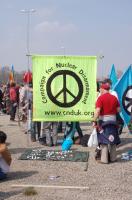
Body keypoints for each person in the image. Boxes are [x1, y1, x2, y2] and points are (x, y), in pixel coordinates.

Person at [93, 83, 120, 164]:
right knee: (113, 140)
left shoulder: (100, 98)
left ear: (102, 89)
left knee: (104, 140)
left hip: (103, 122)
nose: (99, 90)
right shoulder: (114, 98)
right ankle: (113, 158)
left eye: (100, 89)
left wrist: (94, 120)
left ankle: (104, 160)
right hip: (113, 121)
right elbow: (119, 110)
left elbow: (97, 111)